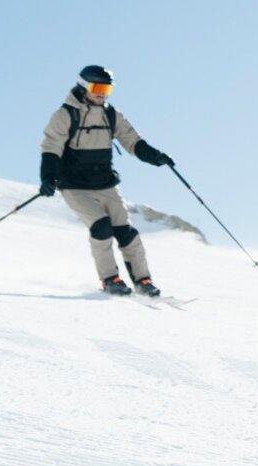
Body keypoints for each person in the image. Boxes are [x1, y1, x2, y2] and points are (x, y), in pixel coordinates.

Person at [39, 65, 176, 297]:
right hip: (74, 184)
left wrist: (155, 156)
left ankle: (143, 281)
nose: (102, 93)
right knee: (101, 227)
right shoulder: (64, 115)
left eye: (107, 89)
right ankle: (110, 279)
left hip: (104, 181)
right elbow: (51, 147)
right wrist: (47, 176)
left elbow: (132, 141)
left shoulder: (112, 115)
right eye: (98, 87)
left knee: (126, 232)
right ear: (84, 87)